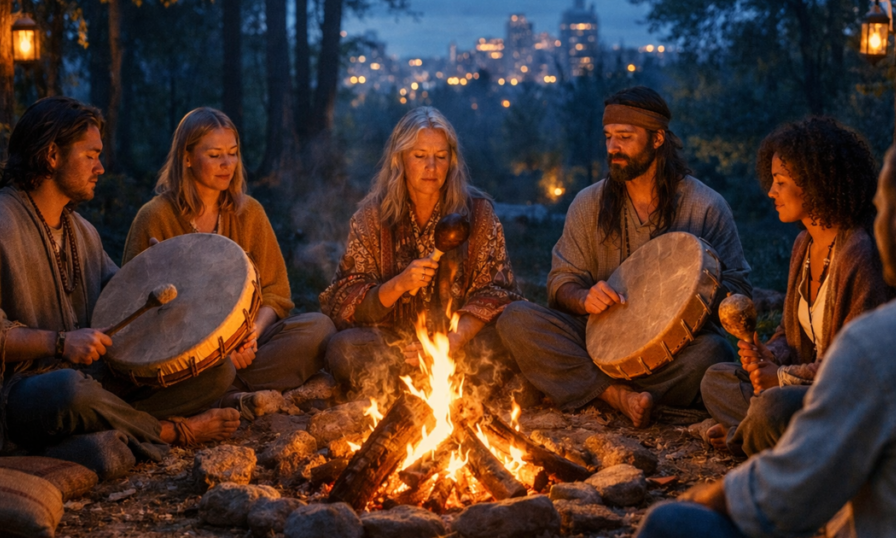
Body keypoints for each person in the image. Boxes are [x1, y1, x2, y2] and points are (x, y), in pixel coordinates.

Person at [635, 125, 896, 538]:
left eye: (881, 206)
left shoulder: (879, 339)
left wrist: (701, 498)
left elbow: (780, 499)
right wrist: (770, 358)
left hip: (822, 414)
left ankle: (746, 435)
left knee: (671, 522)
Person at [0, 97, 239, 460]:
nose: (100, 167)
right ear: (51, 155)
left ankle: (107, 428)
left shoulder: (82, 232)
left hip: (91, 377)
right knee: (70, 393)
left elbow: (121, 295)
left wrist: (160, 272)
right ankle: (169, 431)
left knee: (218, 372)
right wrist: (60, 343)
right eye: (90, 155)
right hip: (23, 391)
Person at [497, 86, 751, 428]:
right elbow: (560, 283)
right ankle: (617, 396)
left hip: (672, 354)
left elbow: (739, 289)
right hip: (595, 345)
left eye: (625, 137)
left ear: (658, 138)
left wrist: (691, 287)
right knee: (516, 318)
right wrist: (584, 297)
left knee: (712, 354)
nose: (613, 148)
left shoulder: (704, 205)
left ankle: (589, 387)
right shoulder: (589, 204)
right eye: (608, 137)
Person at [123, 107, 335, 419]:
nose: (227, 165)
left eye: (233, 154)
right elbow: (133, 316)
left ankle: (220, 395)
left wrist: (252, 333)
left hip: (247, 349)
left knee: (318, 329)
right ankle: (221, 392)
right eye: (215, 155)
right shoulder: (155, 217)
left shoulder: (249, 213)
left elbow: (276, 292)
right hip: (183, 362)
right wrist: (213, 355)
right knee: (214, 370)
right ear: (187, 157)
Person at [701, 117, 892, 456]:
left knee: (770, 408)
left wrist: (781, 377)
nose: (771, 191)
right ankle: (759, 435)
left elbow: (851, 367)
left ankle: (743, 436)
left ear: (816, 184)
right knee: (716, 379)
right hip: (799, 390)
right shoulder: (803, 244)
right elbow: (791, 335)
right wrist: (768, 356)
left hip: (842, 399)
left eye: (780, 181)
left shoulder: (859, 254)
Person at [319, 107, 523, 399]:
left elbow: (497, 291)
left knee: (509, 338)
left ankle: (414, 390)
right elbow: (345, 296)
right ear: (399, 159)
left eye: (441, 157)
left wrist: (449, 343)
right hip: (397, 347)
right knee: (343, 348)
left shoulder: (477, 213)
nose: (432, 166)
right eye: (420, 156)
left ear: (451, 161)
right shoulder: (371, 216)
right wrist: (398, 284)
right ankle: (437, 390)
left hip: (460, 344)